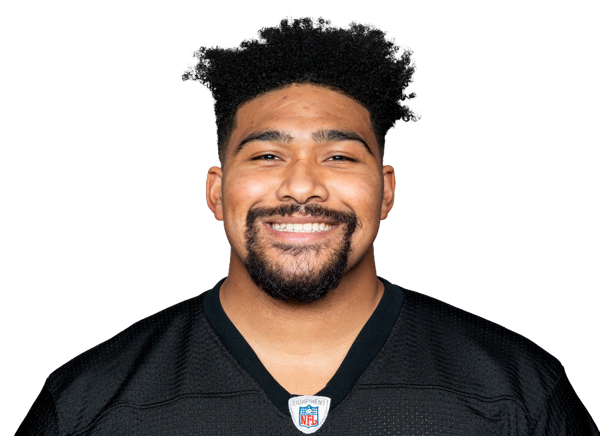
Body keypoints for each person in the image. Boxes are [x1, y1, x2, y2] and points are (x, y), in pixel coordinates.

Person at [17, 14, 597, 435]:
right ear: (216, 191)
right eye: (268, 155)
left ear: (387, 190)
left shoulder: (517, 392)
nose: (301, 186)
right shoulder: (90, 405)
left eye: (338, 156)